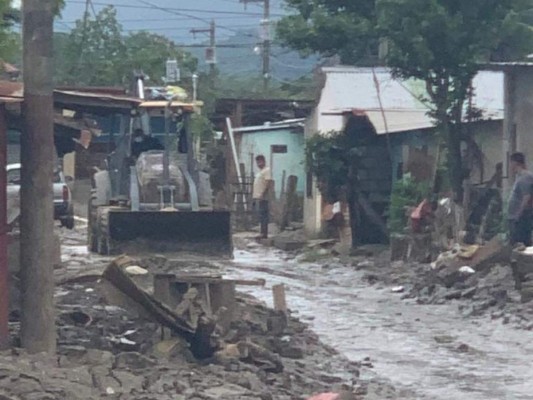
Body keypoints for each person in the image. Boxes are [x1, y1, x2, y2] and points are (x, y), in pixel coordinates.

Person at [508, 152, 533, 246]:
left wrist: (518, 214)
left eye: (511, 163)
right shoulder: (519, 177)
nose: (510, 166)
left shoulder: (525, 177)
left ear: (515, 163)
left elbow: (527, 197)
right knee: (515, 241)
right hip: (516, 216)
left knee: (520, 242)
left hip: (522, 216)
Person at [252, 155, 272, 239]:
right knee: (261, 215)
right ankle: (262, 232)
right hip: (258, 197)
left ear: (264, 161)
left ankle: (264, 233)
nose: (259, 163)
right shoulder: (259, 172)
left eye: (260, 161)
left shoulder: (267, 170)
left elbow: (268, 183)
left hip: (263, 197)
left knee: (263, 215)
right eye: (257, 162)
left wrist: (263, 194)